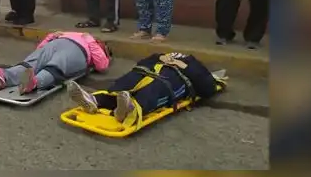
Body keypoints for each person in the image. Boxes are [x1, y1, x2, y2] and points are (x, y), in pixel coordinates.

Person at [67, 52, 224, 126]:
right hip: (148, 71)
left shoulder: (193, 63)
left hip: (174, 79)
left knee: (155, 89)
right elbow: (141, 62)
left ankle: (129, 110)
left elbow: (207, 88)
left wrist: (184, 66)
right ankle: (94, 100)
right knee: (127, 82)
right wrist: (159, 57)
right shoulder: (163, 56)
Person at [0, 31, 111, 94]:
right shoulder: (80, 35)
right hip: (58, 42)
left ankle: (34, 82)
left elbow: (102, 64)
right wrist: (51, 36)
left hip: (78, 51)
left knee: (57, 64)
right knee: (34, 60)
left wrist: (90, 41)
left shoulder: (92, 44)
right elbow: (40, 48)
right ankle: (3, 76)